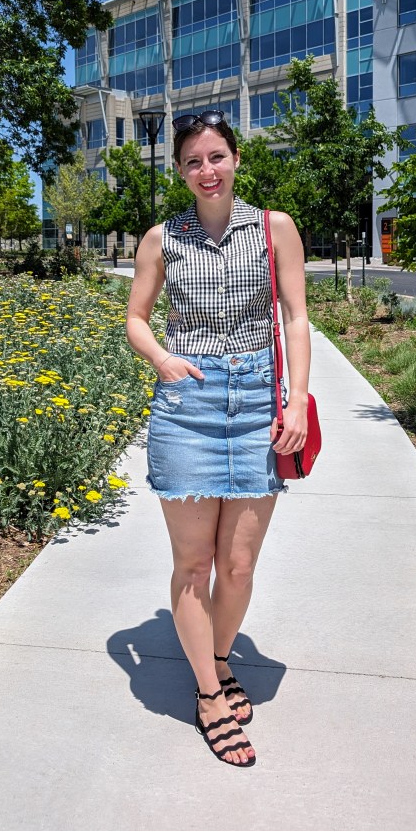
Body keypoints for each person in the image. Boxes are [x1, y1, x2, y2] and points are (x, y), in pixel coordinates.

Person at [125, 109, 310, 767]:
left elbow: (294, 316)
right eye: (193, 161)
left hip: (260, 401)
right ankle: (209, 696)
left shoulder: (273, 228)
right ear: (179, 171)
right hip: (188, 404)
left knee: (237, 567)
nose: (206, 170)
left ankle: (221, 659)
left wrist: (294, 401)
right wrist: (164, 362)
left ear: (236, 159)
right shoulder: (160, 239)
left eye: (216, 157)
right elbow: (136, 319)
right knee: (194, 566)